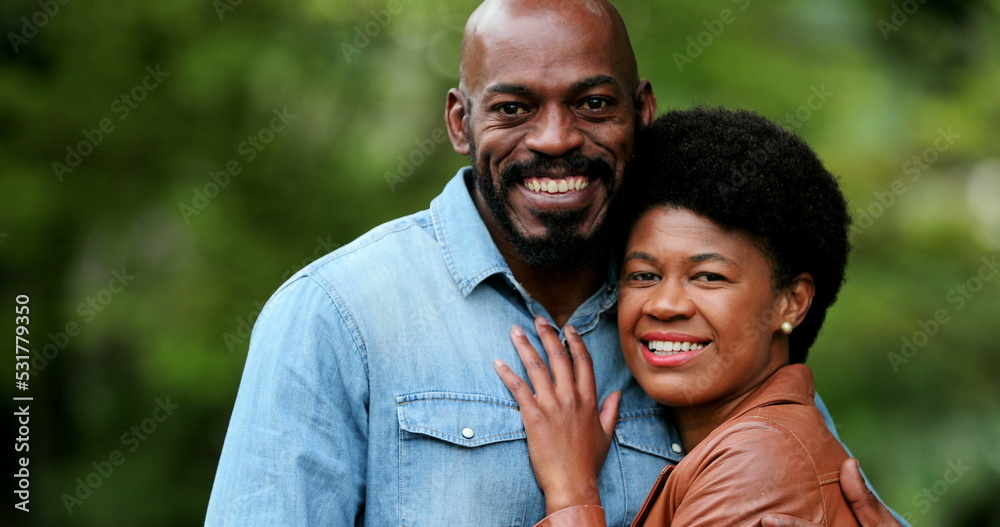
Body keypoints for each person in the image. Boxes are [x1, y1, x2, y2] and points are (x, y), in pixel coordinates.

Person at [205, 1, 907, 525]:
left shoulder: (706, 333)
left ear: (642, 112)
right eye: (513, 107)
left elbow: (814, 482)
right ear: (459, 121)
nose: (554, 138)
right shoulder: (339, 315)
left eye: (593, 103)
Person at [493, 107, 883, 525]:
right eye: (644, 275)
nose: (664, 304)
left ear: (791, 301)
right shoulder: (747, 443)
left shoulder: (758, 460)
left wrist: (572, 491)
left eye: (708, 276)